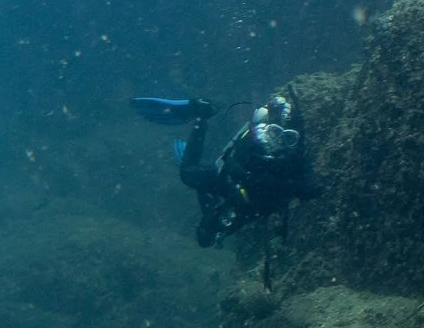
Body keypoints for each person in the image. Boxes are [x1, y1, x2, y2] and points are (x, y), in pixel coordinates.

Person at [131, 94, 319, 249]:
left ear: (296, 140)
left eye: (289, 138)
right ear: (266, 130)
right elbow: (231, 165)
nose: (280, 142)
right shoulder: (256, 143)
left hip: (248, 203)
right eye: (275, 133)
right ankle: (201, 118)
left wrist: (288, 186)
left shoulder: (295, 158)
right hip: (229, 184)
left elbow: (312, 189)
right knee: (188, 174)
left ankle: (201, 117)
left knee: (206, 238)